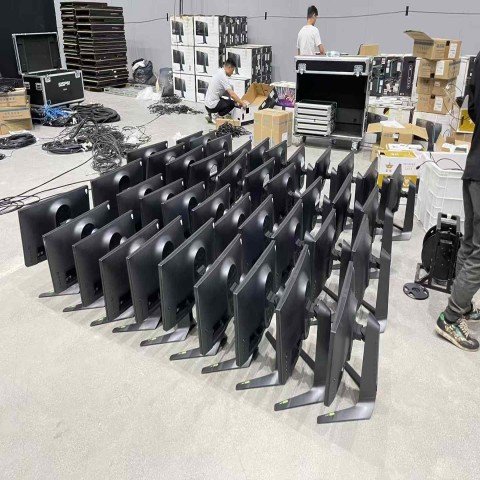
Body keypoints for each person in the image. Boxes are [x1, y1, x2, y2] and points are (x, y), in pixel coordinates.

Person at [436, 50, 480, 352]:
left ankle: (461, 305)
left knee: (471, 243)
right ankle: (451, 317)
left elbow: (472, 110)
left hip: (474, 167)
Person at [204, 59, 248, 123]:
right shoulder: (223, 77)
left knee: (223, 98)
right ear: (229, 67)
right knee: (232, 104)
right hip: (212, 106)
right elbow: (232, 94)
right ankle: (215, 116)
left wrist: (235, 99)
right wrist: (242, 103)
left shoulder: (219, 71)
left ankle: (209, 114)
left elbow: (225, 92)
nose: (232, 73)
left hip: (207, 105)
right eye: (232, 70)